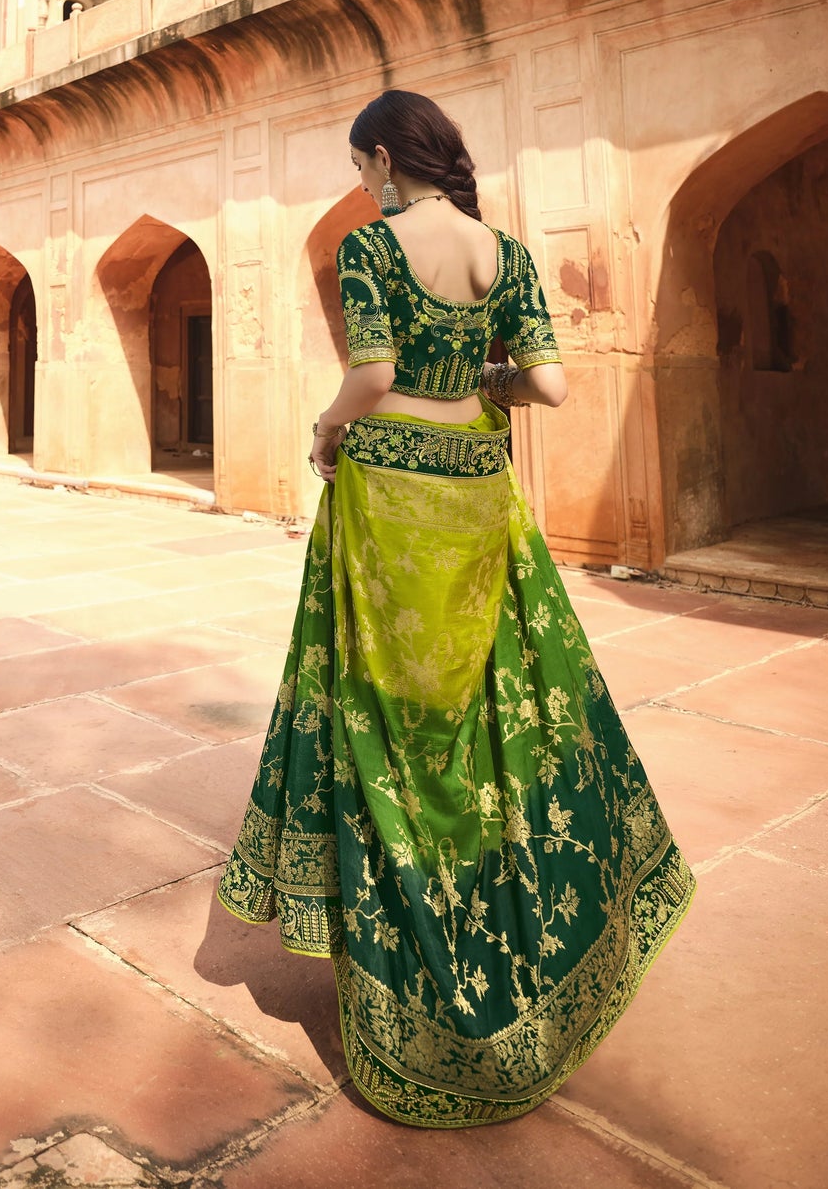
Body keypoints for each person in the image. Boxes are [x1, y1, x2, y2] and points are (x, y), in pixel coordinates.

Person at [217, 89, 693, 1127]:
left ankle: (409, 948)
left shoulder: (369, 245)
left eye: (359, 166)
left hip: (389, 494)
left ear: (385, 158)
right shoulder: (506, 253)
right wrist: (473, 374)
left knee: (387, 713)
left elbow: (373, 371)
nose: (359, 183)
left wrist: (326, 423)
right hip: (476, 487)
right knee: (491, 702)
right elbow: (549, 386)